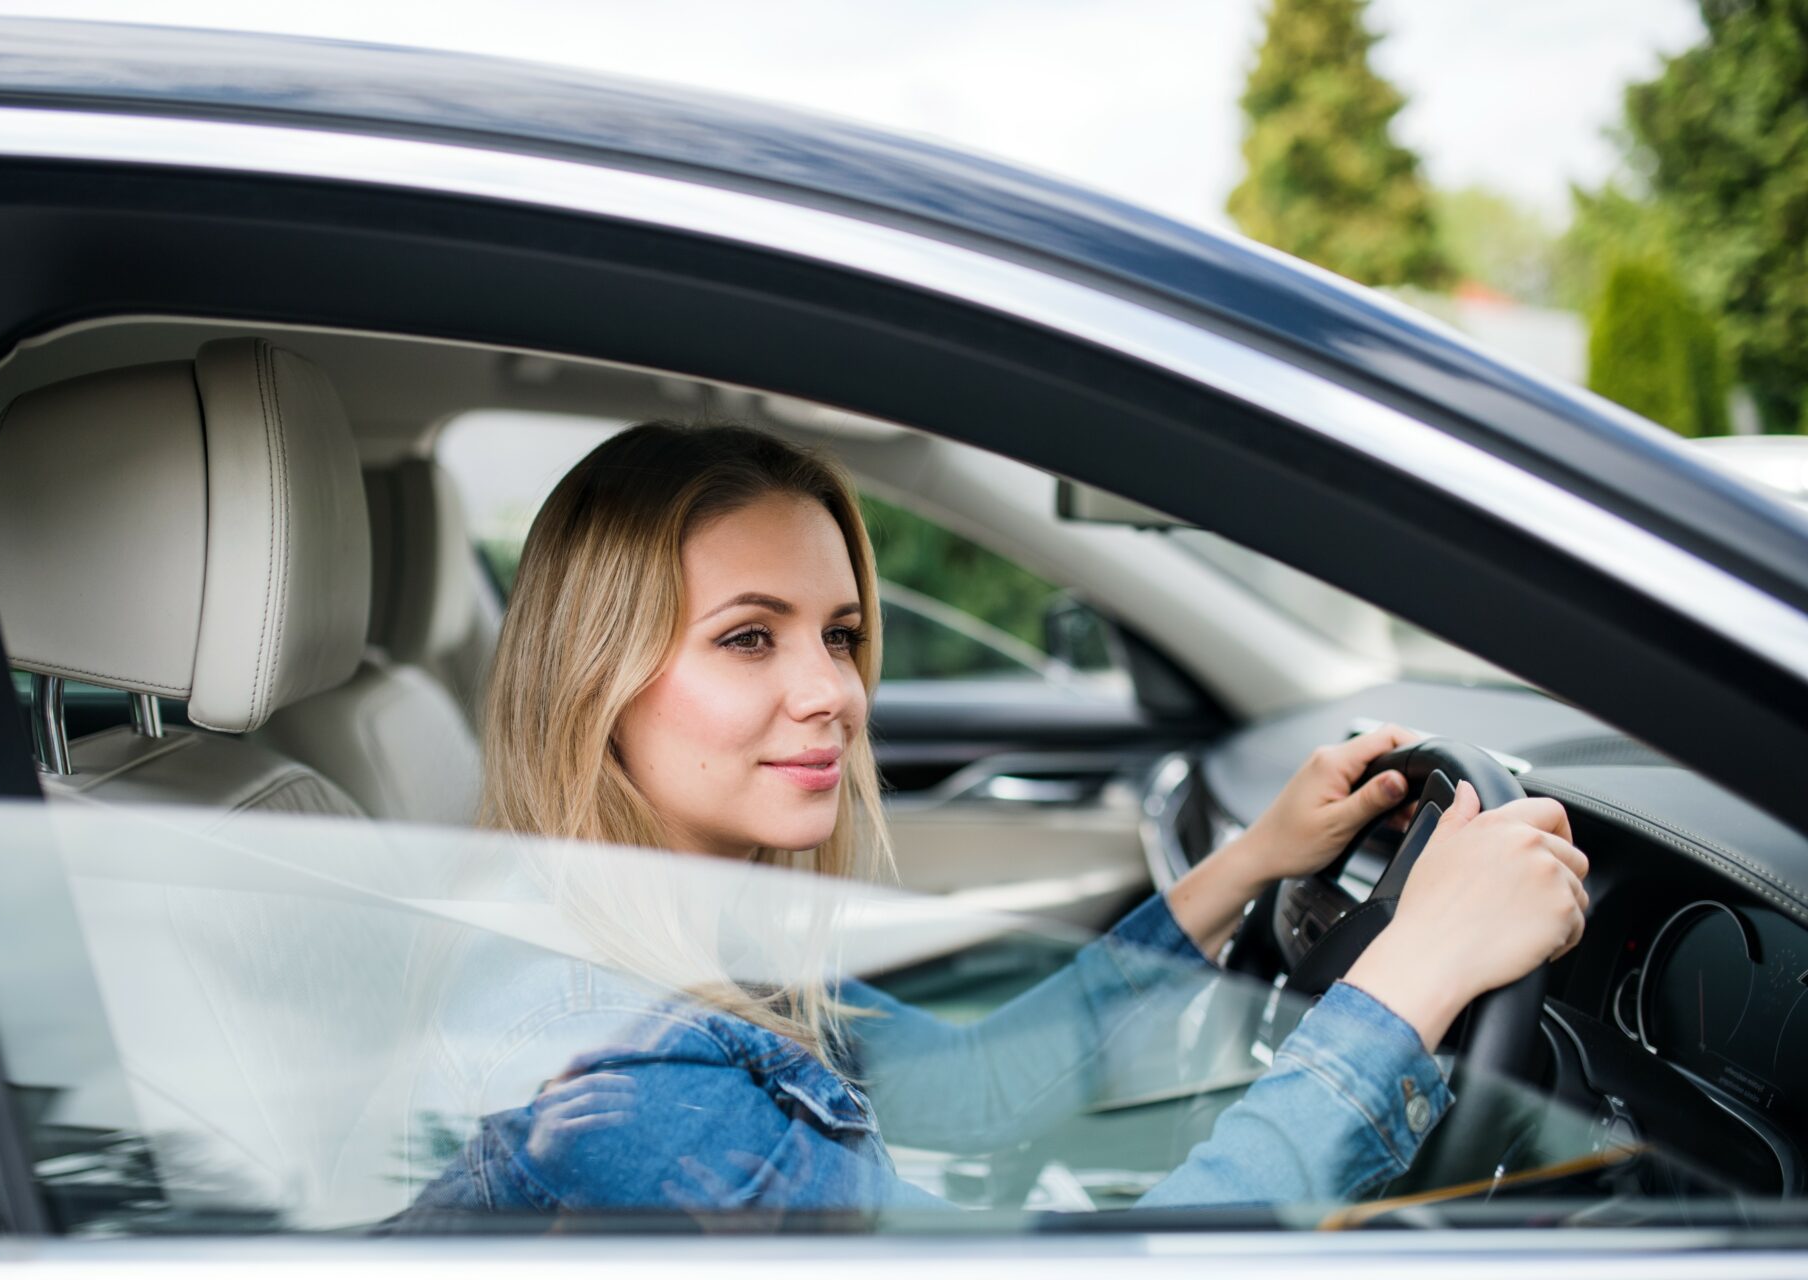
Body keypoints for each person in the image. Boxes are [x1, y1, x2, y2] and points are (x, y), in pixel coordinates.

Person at [406, 421, 1588, 1222]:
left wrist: (1253, 861)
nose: (832, 691)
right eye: (749, 635)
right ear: (592, 676)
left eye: (841, 632)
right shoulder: (621, 1071)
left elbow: (969, 1084)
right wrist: (1414, 974)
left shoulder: (684, 925)